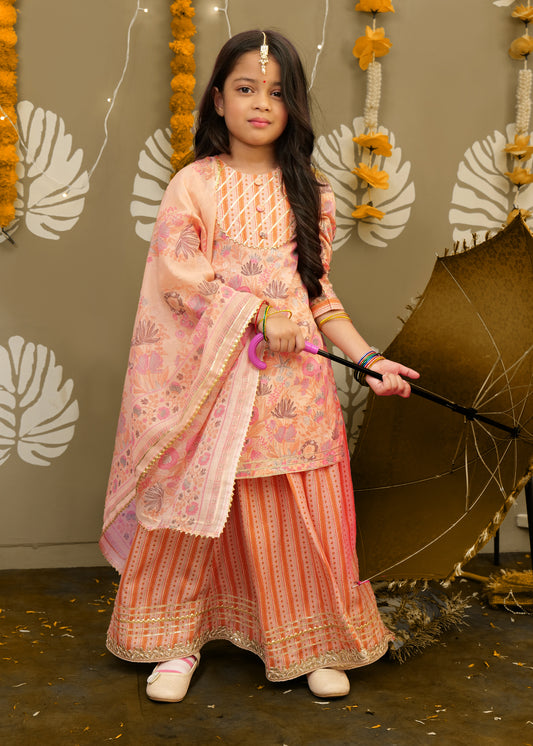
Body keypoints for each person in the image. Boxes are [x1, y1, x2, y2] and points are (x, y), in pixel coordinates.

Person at [100, 29, 420, 703]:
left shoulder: (315, 194)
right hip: (210, 386)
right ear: (217, 99)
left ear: (294, 105)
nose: (259, 103)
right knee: (196, 507)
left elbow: (317, 294)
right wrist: (252, 313)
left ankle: (308, 643)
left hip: (293, 386)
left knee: (294, 515)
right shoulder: (195, 185)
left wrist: (365, 358)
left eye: (276, 92)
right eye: (245, 89)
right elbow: (175, 279)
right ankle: (175, 643)